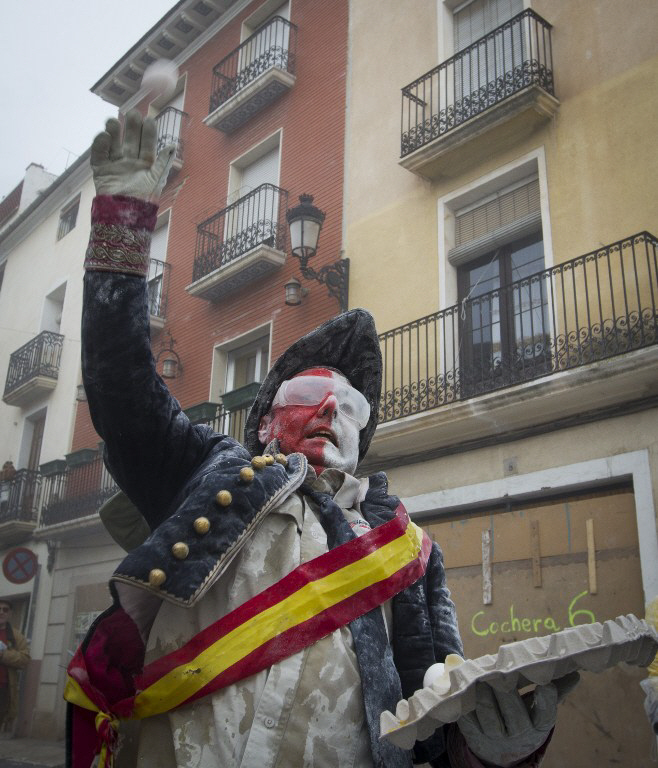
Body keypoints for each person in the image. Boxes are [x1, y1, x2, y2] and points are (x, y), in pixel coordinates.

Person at [65, 111, 576, 768]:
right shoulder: (207, 472)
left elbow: (433, 714)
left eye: (351, 407)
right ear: (266, 421)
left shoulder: (408, 549)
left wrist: (499, 750)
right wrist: (123, 225)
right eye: (309, 397)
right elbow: (123, 390)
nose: (331, 413)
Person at [0, 599, 30, 735]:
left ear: (10, 613)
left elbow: (24, 659)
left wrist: (3, 655)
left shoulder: (17, 636)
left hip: (4, 689)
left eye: (5, 609)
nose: (1, 612)